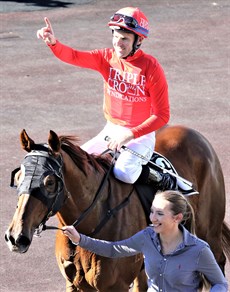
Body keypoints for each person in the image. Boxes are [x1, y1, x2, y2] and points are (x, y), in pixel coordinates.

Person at [37, 7, 177, 190]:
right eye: (115, 37)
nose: (118, 43)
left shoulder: (151, 68)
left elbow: (162, 115)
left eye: (125, 38)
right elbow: (73, 56)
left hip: (140, 135)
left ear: (139, 40)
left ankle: (160, 177)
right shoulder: (106, 58)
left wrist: (131, 134)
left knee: (124, 172)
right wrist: (53, 43)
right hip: (111, 129)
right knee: (77, 166)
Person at [62, 190, 228, 291]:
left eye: (160, 214)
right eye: (152, 211)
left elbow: (220, 283)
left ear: (177, 218)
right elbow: (114, 249)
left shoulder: (198, 250)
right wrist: (80, 239)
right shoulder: (147, 237)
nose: (152, 218)